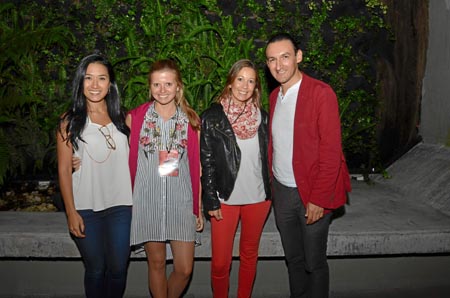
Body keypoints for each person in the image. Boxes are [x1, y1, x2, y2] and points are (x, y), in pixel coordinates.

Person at [265, 33, 352, 298]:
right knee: (294, 259)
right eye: (271, 60)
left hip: (311, 194)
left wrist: (319, 199)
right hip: (283, 192)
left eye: (285, 57)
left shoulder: (320, 93)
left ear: (298, 56)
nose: (278, 65)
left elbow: (331, 152)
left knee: (314, 262)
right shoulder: (273, 97)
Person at [57, 53, 133, 298]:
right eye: (88, 78)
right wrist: (71, 212)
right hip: (86, 206)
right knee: (96, 269)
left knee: (119, 269)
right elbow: (63, 169)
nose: (95, 85)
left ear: (110, 83)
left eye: (101, 78)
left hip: (122, 205)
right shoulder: (69, 122)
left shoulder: (125, 118)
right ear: (80, 82)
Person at [127, 59, 204, 298]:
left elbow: (196, 168)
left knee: (184, 269)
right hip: (147, 201)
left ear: (178, 87)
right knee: (157, 265)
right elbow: (114, 153)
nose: (162, 90)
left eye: (168, 84)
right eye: (157, 85)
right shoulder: (135, 119)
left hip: (180, 203)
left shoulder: (191, 121)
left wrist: (197, 208)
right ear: (149, 88)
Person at [200, 59, 272, 298]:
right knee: (221, 263)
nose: (245, 85)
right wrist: (210, 199)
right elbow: (207, 161)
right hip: (225, 198)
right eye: (240, 79)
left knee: (249, 255)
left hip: (259, 198)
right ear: (230, 82)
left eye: (251, 81)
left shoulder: (263, 118)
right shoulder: (212, 117)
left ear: (256, 87)